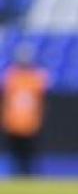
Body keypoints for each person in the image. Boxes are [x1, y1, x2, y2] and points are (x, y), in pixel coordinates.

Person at [1, 45, 49, 176]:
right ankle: (17, 175)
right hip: (13, 122)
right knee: (15, 153)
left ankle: (30, 175)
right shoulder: (11, 76)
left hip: (31, 122)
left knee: (30, 153)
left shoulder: (37, 77)